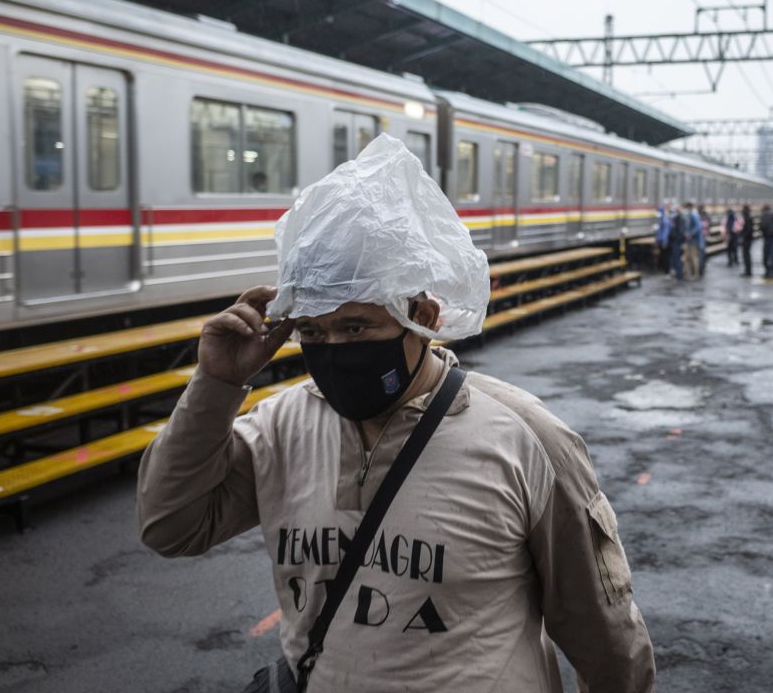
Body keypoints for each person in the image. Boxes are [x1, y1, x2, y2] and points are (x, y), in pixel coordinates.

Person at [137, 135, 655, 692]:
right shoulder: (281, 426)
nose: (333, 348)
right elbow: (171, 526)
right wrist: (218, 383)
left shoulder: (525, 439)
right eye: (313, 331)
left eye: (356, 327)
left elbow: (605, 639)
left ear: (423, 316)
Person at [682, 201, 701, 281]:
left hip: (693, 241)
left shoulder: (694, 215)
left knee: (694, 258)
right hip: (688, 241)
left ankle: (696, 274)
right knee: (687, 258)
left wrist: (690, 233)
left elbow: (698, 226)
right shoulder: (689, 215)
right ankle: (687, 274)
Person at [669, 202, 686, 280]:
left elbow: (680, 231)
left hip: (677, 241)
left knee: (677, 258)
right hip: (677, 241)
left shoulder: (679, 218)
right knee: (676, 258)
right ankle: (678, 274)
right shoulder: (679, 218)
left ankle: (679, 275)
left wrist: (678, 239)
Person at [654, 204, 671, 273]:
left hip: (664, 242)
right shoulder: (660, 220)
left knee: (665, 257)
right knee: (662, 256)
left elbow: (666, 232)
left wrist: (664, 241)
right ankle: (663, 269)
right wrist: (657, 240)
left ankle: (666, 270)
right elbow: (659, 232)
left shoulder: (665, 220)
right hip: (661, 241)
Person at [740, 204, 754, 277]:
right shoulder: (749, 216)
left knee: (746, 255)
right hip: (749, 238)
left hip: (746, 239)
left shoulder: (746, 217)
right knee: (747, 255)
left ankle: (748, 272)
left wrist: (743, 236)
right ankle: (748, 271)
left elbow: (747, 229)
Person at [696, 205, 710, 277]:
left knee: (700, 253)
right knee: (703, 252)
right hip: (704, 236)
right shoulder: (706, 216)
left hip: (700, 237)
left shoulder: (699, 217)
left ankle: (700, 269)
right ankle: (702, 267)